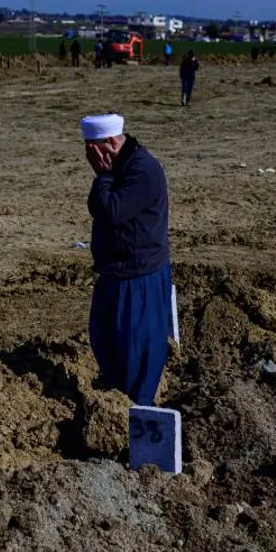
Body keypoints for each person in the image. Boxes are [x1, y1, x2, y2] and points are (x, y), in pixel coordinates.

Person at [80, 113, 172, 406]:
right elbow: (97, 205)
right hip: (116, 271)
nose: (88, 156)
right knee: (105, 337)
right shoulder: (122, 165)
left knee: (137, 349)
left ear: (109, 143)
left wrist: (103, 176)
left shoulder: (142, 170)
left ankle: (137, 410)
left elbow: (112, 211)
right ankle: (118, 397)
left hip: (138, 275)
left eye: (91, 149)